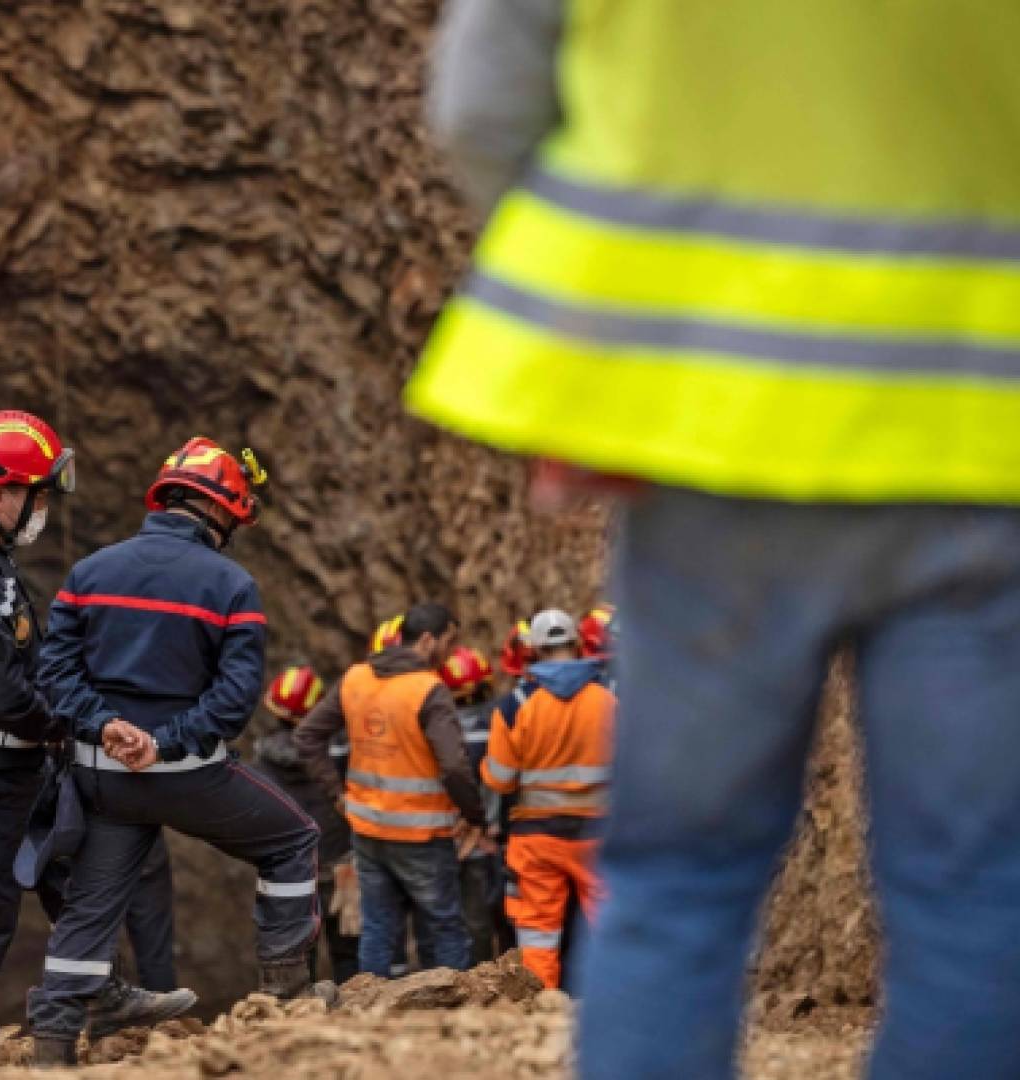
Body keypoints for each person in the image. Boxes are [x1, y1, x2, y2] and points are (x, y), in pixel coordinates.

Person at [413, 4, 1020, 1074]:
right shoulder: (539, 693)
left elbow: (483, 104)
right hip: (980, 437)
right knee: (975, 887)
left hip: (708, 437)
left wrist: (603, 329)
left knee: (677, 880)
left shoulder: (482, 701)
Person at [0, 410, 188, 1064]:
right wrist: (66, 723)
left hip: (7, 762)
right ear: (0, 491)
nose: (42, 510)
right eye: (37, 496)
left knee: (73, 873)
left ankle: (100, 994)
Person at [27, 438, 321, 1066]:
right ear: (221, 512)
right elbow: (237, 695)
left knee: (90, 908)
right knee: (293, 839)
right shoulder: (232, 584)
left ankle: (52, 1045)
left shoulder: (90, 571)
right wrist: (165, 742)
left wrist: (105, 727)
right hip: (190, 776)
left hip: (104, 778)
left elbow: (54, 673)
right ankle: (287, 991)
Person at [297, 603, 486, 977]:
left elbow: (307, 736)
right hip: (421, 834)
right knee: (443, 926)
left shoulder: (357, 678)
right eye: (449, 641)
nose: (451, 653)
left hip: (368, 830)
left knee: (378, 929)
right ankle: (449, 1017)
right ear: (428, 639)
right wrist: (474, 815)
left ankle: (374, 1019)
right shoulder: (429, 690)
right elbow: (453, 765)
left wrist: (339, 796)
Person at [479, 610, 613, 989]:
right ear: (577, 644)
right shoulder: (608, 699)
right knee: (608, 924)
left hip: (537, 838)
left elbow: (501, 781)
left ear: (533, 652)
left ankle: (542, 1013)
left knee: (538, 934)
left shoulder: (514, 706)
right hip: (598, 834)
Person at [253, 664, 360, 983]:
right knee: (348, 954)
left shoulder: (260, 764)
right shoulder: (336, 754)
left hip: (287, 873)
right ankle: (356, 1017)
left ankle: (302, 1015)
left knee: (297, 956)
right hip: (341, 868)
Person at [441, 645, 512, 966]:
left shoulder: (436, 724)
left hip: (446, 836)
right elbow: (502, 780)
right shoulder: (497, 719)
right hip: (488, 838)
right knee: (493, 920)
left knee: (449, 923)